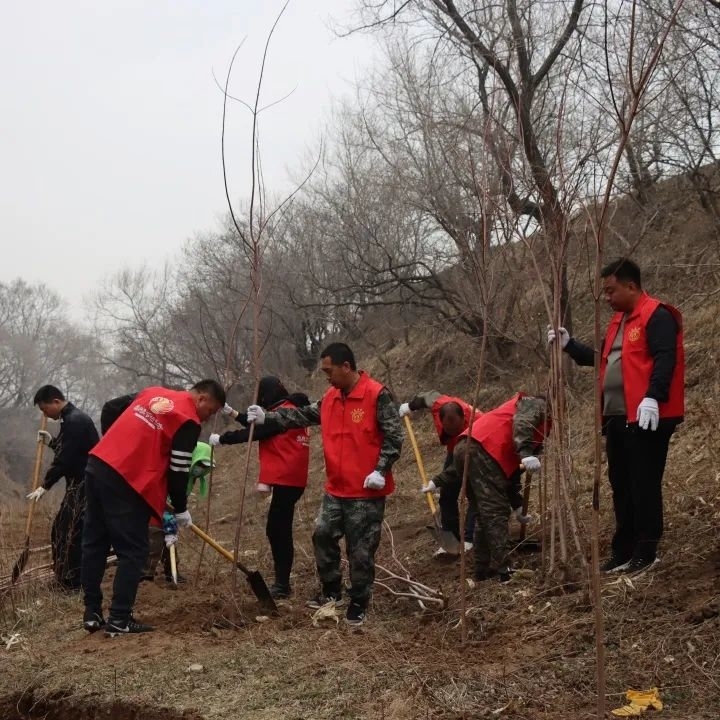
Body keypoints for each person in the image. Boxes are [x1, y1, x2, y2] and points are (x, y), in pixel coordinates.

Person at [245, 343, 403, 626]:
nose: (326, 377)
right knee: (322, 535)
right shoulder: (330, 398)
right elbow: (301, 415)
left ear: (346, 367)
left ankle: (359, 599)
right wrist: (267, 416)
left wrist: (381, 469)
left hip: (366, 490)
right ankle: (331, 590)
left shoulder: (376, 395)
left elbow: (394, 437)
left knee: (361, 548)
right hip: (336, 488)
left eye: (329, 371)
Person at [548, 258, 684, 574]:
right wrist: (570, 347)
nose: (606, 298)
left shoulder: (657, 315)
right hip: (617, 418)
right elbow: (604, 361)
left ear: (631, 286)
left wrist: (653, 397)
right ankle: (623, 549)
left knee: (643, 483)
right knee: (620, 484)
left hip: (646, 417)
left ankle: (646, 549)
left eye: (611, 291)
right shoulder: (619, 322)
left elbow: (667, 359)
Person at [81, 379, 225, 636]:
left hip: (98, 464)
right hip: (128, 479)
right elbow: (178, 470)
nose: (206, 419)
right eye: (210, 412)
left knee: (95, 543)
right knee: (134, 551)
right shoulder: (188, 420)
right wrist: (181, 508)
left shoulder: (153, 392)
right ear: (202, 399)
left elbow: (111, 408)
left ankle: (92, 613)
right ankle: (119, 619)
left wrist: (121, 444)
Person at [424, 393, 547, 582]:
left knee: (482, 513)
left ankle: (482, 568)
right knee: (496, 511)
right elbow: (522, 424)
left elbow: (510, 474)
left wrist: (518, 504)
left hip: (468, 446)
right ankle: (504, 570)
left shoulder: (519, 417)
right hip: (485, 449)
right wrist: (526, 453)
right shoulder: (537, 404)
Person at [209, 376, 311, 599]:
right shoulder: (289, 409)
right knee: (277, 528)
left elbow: (253, 432)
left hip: (287, 479)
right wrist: (231, 412)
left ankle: (282, 585)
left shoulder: (280, 414)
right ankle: (282, 583)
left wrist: (222, 440)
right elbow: (255, 423)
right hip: (291, 479)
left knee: (277, 530)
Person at [27, 386, 99, 591]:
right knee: (63, 529)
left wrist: (44, 486)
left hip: (85, 485)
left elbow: (65, 459)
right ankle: (65, 577)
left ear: (56, 402)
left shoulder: (75, 421)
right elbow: (70, 449)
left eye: (44, 409)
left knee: (70, 532)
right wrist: (52, 443)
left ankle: (72, 582)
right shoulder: (71, 420)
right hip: (79, 484)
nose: (45, 414)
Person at [398, 391, 477, 556]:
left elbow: (456, 468)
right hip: (454, 450)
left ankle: (469, 540)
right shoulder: (439, 404)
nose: (451, 432)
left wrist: (436, 481)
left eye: (456, 429)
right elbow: (427, 396)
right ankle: (451, 536)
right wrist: (410, 406)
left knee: (475, 494)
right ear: (441, 421)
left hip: (475, 450)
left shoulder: (476, 423)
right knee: (447, 494)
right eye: (449, 430)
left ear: (463, 419)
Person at [142, 442, 215, 585]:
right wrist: (169, 522)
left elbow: (179, 501)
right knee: (154, 541)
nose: (201, 469)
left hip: (169, 511)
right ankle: (145, 576)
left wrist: (177, 517)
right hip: (154, 510)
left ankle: (171, 573)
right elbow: (165, 499)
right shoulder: (174, 472)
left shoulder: (190, 477)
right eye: (200, 464)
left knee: (171, 543)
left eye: (206, 467)